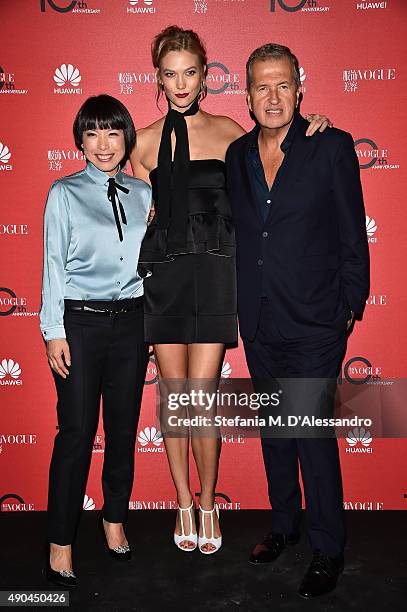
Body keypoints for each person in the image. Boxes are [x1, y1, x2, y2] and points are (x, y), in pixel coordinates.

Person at [131, 26, 331, 555]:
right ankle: (183, 501)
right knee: (174, 399)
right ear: (157, 77)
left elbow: (277, 155)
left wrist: (314, 126)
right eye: (169, 74)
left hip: (218, 278)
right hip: (166, 279)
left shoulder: (230, 134)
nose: (180, 83)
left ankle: (209, 498)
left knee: (202, 398)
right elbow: (139, 220)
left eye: (190, 72)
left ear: (206, 75)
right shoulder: (144, 142)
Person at [225, 44, 370, 598]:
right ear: (247, 93)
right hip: (260, 319)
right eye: (261, 86)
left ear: (300, 88)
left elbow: (352, 233)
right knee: (276, 432)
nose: (272, 96)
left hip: (316, 320)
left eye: (282, 84)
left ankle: (328, 547)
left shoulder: (329, 146)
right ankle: (284, 525)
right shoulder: (237, 154)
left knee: (310, 432)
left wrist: (350, 304)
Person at [40, 94, 151, 587]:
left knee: (124, 431)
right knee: (77, 433)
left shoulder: (142, 193)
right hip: (79, 325)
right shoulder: (63, 192)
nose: (104, 144)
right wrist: (53, 330)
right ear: (80, 139)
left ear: (126, 137)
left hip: (131, 324)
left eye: (112, 132)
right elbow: (53, 266)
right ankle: (60, 540)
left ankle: (114, 521)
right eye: (93, 133)